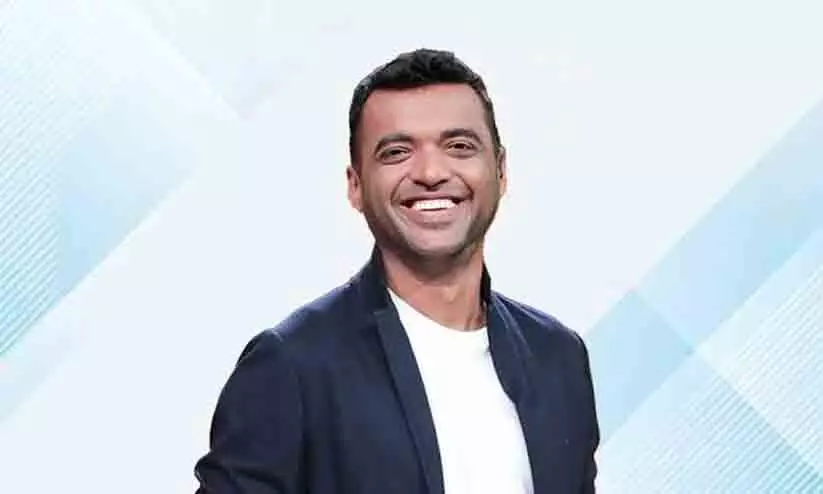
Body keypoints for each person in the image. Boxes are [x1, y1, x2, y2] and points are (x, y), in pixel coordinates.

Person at [194, 48, 600, 494]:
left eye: (459, 146)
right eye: (397, 152)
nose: (431, 172)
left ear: (501, 171)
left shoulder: (557, 356)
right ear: (355, 185)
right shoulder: (293, 367)